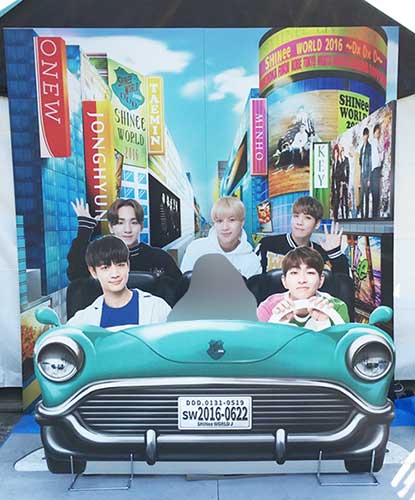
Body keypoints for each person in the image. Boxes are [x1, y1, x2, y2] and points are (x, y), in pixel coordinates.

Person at [67, 198, 182, 281]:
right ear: (111, 227)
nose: (127, 229)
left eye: (134, 222)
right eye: (120, 223)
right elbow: (75, 276)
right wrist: (85, 229)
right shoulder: (99, 258)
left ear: (141, 226)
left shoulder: (160, 258)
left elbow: (180, 291)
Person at [67, 235, 171, 327]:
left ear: (128, 266)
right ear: (93, 272)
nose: (115, 274)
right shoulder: (83, 320)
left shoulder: (158, 307)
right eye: (105, 268)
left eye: (120, 265)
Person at [257, 247, 349, 331]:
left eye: (310, 273)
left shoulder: (336, 307)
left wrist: (323, 323)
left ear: (321, 280)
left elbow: (342, 343)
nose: (302, 280)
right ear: (284, 281)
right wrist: (278, 325)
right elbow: (260, 342)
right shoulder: (268, 307)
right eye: (294, 273)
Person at [256, 196, 349, 275]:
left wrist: (335, 254)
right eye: (296, 216)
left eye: (307, 218)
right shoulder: (268, 244)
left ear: (317, 224)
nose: (299, 222)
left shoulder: (322, 254)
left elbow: (343, 284)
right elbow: (254, 282)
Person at [180, 197, 261, 278]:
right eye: (219, 221)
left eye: (232, 220)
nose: (225, 227)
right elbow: (184, 283)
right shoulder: (196, 249)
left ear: (242, 222)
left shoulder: (251, 261)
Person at [370, 123, 383, 218]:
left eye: (379, 133)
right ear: (374, 133)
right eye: (377, 132)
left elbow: (380, 158)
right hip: (374, 170)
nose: (378, 134)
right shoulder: (373, 143)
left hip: (377, 170)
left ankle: (375, 215)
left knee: (377, 194)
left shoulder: (378, 143)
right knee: (375, 194)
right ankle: (374, 216)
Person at [358, 127, 371, 219]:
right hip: (362, 175)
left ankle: (366, 216)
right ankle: (362, 215)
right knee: (361, 197)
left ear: (368, 136)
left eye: (366, 135)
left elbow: (370, 163)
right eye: (364, 135)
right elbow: (360, 163)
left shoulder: (369, 147)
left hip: (367, 176)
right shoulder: (362, 148)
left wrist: (369, 178)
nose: (365, 137)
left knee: (366, 197)